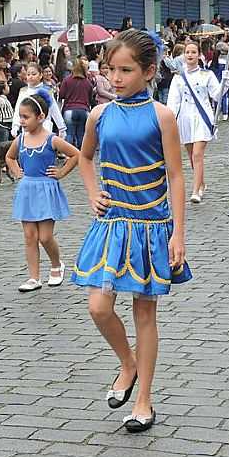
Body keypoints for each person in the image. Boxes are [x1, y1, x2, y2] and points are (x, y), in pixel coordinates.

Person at [70, 29, 191, 433]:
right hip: (111, 223)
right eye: (111, 70)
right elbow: (86, 159)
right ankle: (128, 363)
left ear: (149, 71)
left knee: (144, 312)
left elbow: (176, 176)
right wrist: (92, 193)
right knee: (98, 306)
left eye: (126, 70)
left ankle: (144, 399)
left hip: (151, 227)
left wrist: (178, 234)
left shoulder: (162, 116)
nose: (116, 78)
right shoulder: (99, 115)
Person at [5, 89, 79, 292]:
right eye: (20, 116)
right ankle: (33, 277)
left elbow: (76, 155)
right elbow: (9, 157)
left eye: (26, 117)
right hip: (27, 189)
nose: (22, 121)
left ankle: (57, 264)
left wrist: (62, 172)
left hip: (46, 189)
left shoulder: (51, 139)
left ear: (41, 117)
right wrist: (17, 171)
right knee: (29, 236)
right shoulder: (20, 139)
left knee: (45, 236)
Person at [166, 40, 228, 204]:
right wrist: (169, 121)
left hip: (202, 116)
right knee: (191, 156)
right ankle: (201, 183)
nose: (190, 55)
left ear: (199, 55)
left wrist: (224, 82)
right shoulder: (178, 78)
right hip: (185, 118)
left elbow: (216, 95)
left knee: (197, 154)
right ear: (183, 55)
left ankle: (196, 191)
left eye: (194, 52)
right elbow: (173, 102)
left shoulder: (207, 75)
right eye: (188, 52)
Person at [11, 62, 66, 141]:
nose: (31, 77)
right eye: (28, 74)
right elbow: (18, 109)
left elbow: (54, 109)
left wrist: (61, 127)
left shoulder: (47, 90)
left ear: (40, 75)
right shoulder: (23, 91)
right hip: (27, 127)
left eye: (34, 74)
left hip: (44, 125)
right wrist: (15, 125)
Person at [58, 58, 93, 148]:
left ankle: (69, 156)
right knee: (81, 134)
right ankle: (81, 155)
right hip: (84, 111)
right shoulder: (87, 82)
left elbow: (61, 95)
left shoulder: (67, 80)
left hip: (69, 110)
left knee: (69, 133)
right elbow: (90, 99)